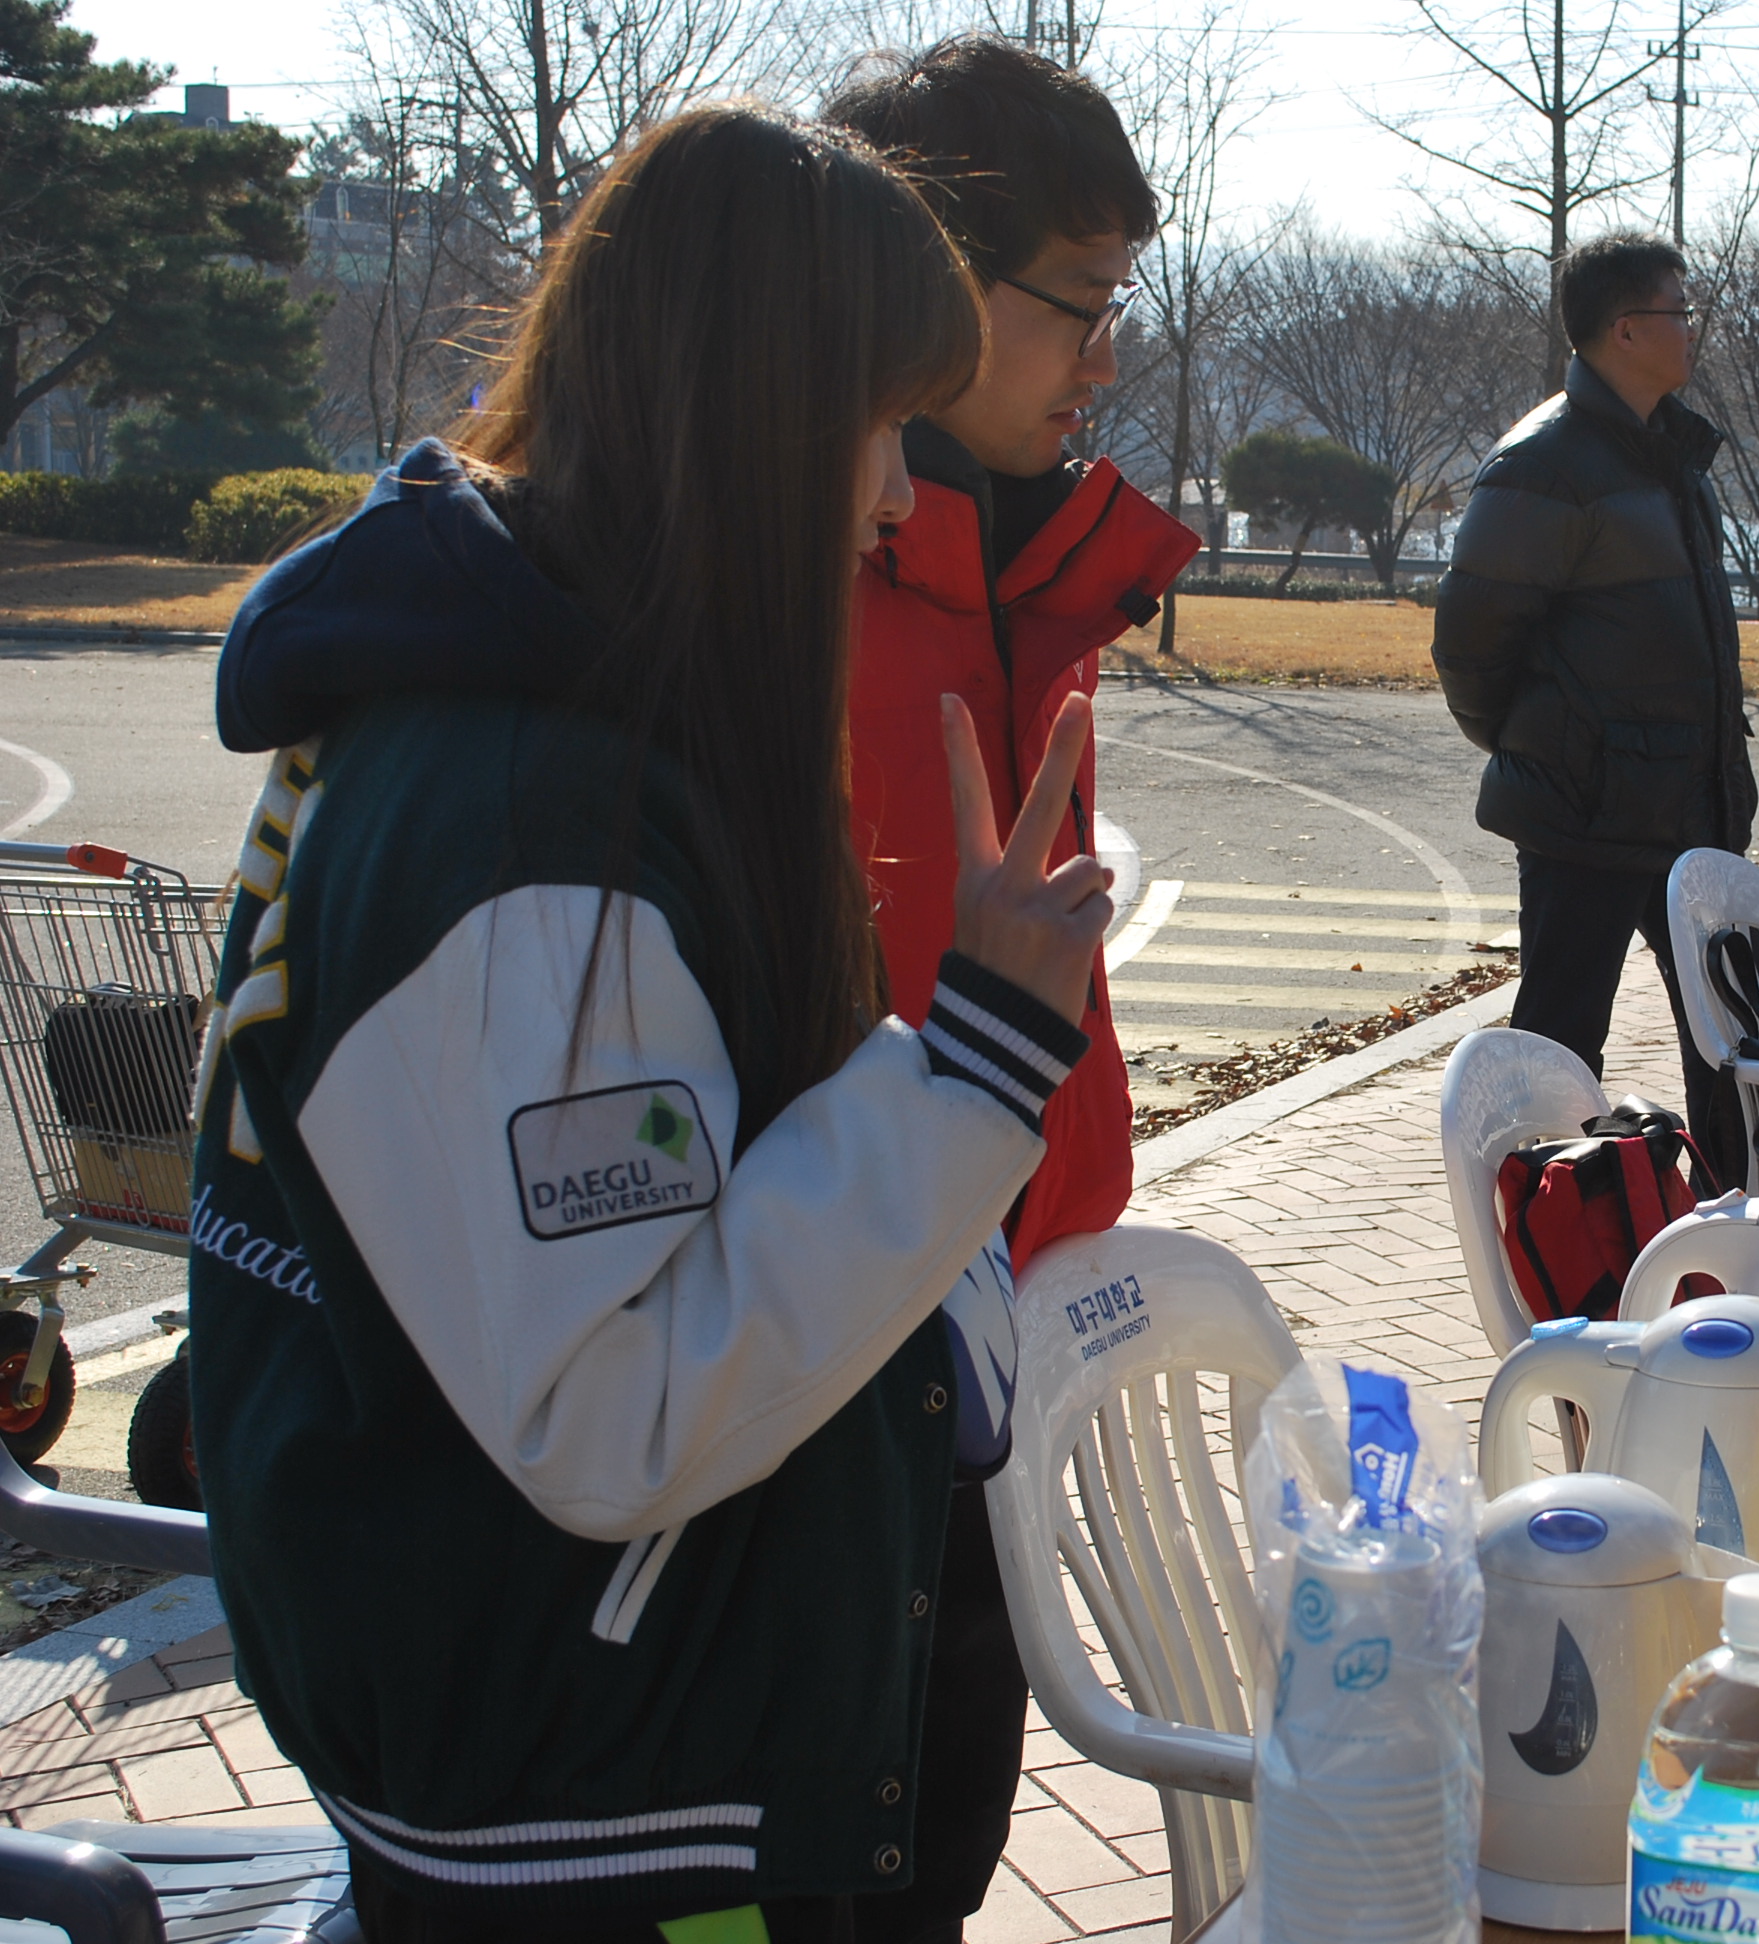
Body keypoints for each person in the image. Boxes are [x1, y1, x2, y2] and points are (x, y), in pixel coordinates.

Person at [190, 107, 1110, 1944]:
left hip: (613, 1747)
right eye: (874, 428)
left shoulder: (527, 706)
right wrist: (978, 1065)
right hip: (601, 1815)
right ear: (750, 413)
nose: (896, 497)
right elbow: (610, 1408)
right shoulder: (526, 816)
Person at [820, 40, 1197, 1940]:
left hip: (1002, 1301)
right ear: (924, 273)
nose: (1104, 360)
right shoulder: (789, 573)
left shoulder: (1032, 563)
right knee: (842, 1857)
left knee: (950, 1818)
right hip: (826, 1340)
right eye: (1080, 304)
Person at [1430, 234, 1756, 1165]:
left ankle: (1738, 1206)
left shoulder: (1672, 456)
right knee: (1560, 1045)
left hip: (1689, 807)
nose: (1691, 330)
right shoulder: (1544, 464)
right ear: (1625, 330)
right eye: (1678, 312)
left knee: (1737, 1038)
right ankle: (1543, 1221)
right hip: (1584, 814)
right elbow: (1470, 644)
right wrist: (1545, 747)